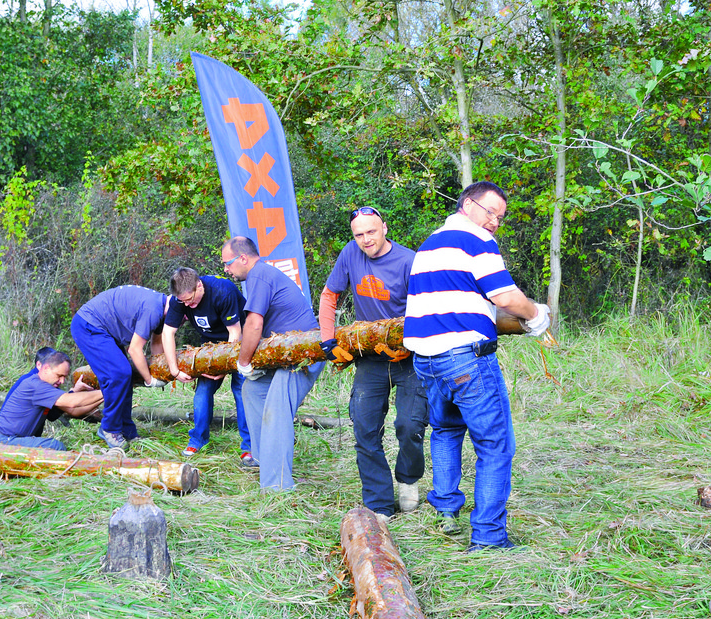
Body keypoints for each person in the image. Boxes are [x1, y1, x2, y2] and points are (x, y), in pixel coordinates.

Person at [403, 181, 551, 551]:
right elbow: (504, 295)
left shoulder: (429, 245)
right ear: (468, 204)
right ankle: (487, 538)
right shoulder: (475, 240)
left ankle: (446, 508)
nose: (495, 222)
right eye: (491, 212)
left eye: (500, 218)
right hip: (466, 360)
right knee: (495, 446)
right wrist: (536, 317)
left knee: (447, 431)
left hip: (426, 361)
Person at [318, 205, 429, 518]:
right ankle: (379, 503)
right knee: (365, 428)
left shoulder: (409, 261)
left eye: (370, 231)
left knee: (409, 425)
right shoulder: (350, 254)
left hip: (410, 358)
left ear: (384, 228)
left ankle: (408, 479)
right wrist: (328, 342)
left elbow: (427, 309)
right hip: (370, 356)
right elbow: (329, 296)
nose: (365, 239)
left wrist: (409, 345)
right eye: (359, 235)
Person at [222, 236, 325, 490]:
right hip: (283, 357)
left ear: (243, 258)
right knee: (253, 390)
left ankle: (277, 487)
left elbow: (254, 324)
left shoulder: (259, 275)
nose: (226, 269)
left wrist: (244, 363)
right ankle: (265, 461)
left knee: (277, 410)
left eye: (228, 263)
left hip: (303, 355)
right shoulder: (261, 275)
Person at [162, 267, 254, 466]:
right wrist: (174, 369)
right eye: (184, 302)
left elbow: (234, 333)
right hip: (210, 345)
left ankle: (250, 447)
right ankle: (198, 439)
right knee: (203, 391)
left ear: (199, 285)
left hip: (241, 341)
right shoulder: (179, 298)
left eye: (191, 300)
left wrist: (222, 369)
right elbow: (168, 333)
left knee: (241, 391)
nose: (189, 305)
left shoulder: (223, 291)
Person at [71, 285, 169, 449]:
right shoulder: (153, 309)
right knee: (119, 374)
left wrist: (161, 371)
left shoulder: (162, 306)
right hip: (89, 325)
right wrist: (149, 380)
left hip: (105, 331)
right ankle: (109, 428)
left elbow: (156, 344)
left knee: (124, 376)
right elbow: (135, 349)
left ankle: (125, 430)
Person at [0, 350, 102, 451]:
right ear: (45, 368)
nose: (62, 381)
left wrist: (107, 396)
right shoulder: (36, 385)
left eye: (65, 377)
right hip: (2, 441)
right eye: (59, 375)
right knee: (55, 446)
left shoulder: (46, 388)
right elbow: (72, 401)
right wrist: (108, 392)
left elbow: (73, 411)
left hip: (9, 441)